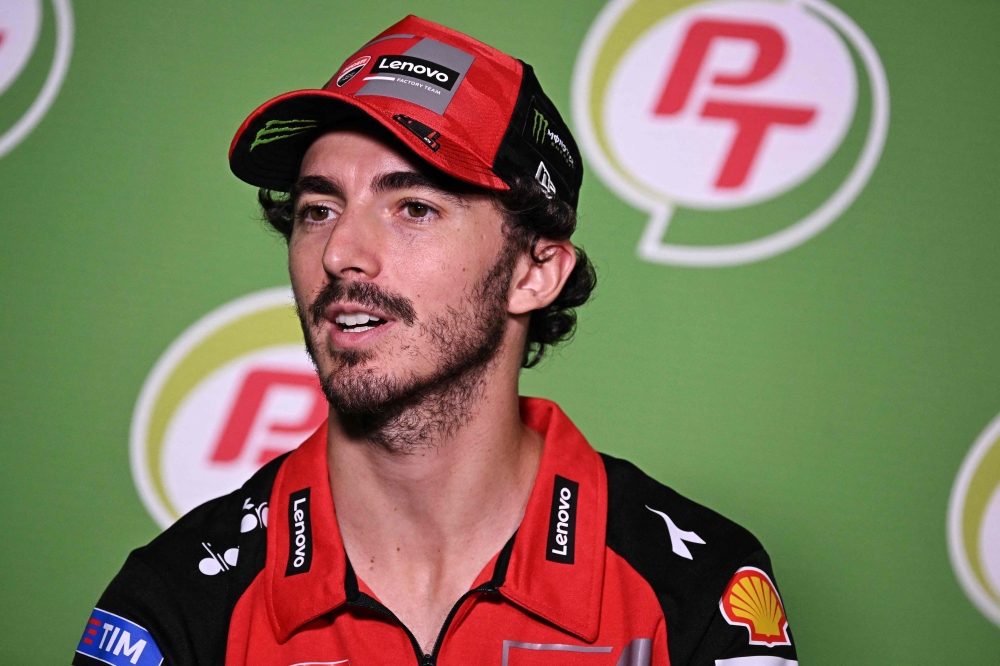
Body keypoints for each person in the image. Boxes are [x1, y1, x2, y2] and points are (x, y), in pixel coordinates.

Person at [74, 15, 798, 666]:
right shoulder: (176, 601)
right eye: (318, 209)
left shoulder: (693, 587)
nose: (340, 253)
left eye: (414, 207)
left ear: (535, 272)